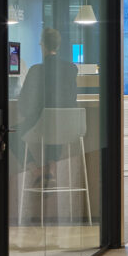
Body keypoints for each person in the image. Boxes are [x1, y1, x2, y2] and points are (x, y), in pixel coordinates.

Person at [18, 27, 78, 184]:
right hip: (67, 125)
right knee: (56, 125)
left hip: (41, 123)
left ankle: (36, 171)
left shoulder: (36, 70)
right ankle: (51, 168)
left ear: (42, 45)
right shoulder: (72, 69)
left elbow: (25, 104)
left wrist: (28, 114)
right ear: (57, 46)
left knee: (10, 133)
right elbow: (71, 99)